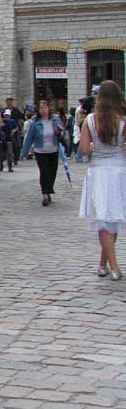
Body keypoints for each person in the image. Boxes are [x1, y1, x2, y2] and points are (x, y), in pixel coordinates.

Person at [79, 80, 126, 280]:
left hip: (98, 171)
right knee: (113, 217)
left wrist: (95, 148)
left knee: (104, 220)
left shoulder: (89, 120)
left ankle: (105, 264)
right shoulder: (123, 119)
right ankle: (111, 266)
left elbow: (83, 151)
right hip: (119, 171)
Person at [20, 98, 63, 205]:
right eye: (41, 108)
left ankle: (48, 189)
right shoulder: (35, 122)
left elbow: (62, 131)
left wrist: (59, 131)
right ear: (38, 110)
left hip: (53, 150)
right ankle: (45, 194)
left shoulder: (55, 119)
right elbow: (29, 138)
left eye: (45, 108)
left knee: (52, 172)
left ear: (49, 108)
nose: (43, 110)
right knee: (44, 172)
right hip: (40, 151)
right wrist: (24, 152)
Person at [5, 97, 24, 163]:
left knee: (17, 145)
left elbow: (20, 119)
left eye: (11, 101)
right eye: (8, 101)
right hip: (7, 130)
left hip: (15, 129)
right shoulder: (4, 111)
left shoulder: (16, 110)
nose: (10, 103)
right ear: (6, 102)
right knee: (7, 145)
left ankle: (16, 158)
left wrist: (20, 129)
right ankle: (8, 158)